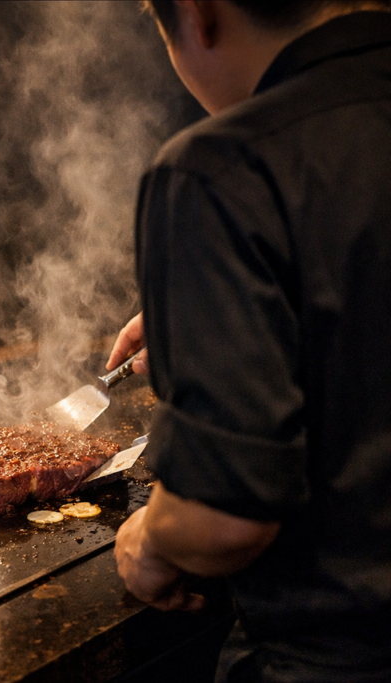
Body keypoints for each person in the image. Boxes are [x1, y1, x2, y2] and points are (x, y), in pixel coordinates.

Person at [107, 1, 391, 680]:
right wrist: (240, 306)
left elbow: (224, 516)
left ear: (198, 14)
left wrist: (147, 537)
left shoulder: (218, 168)